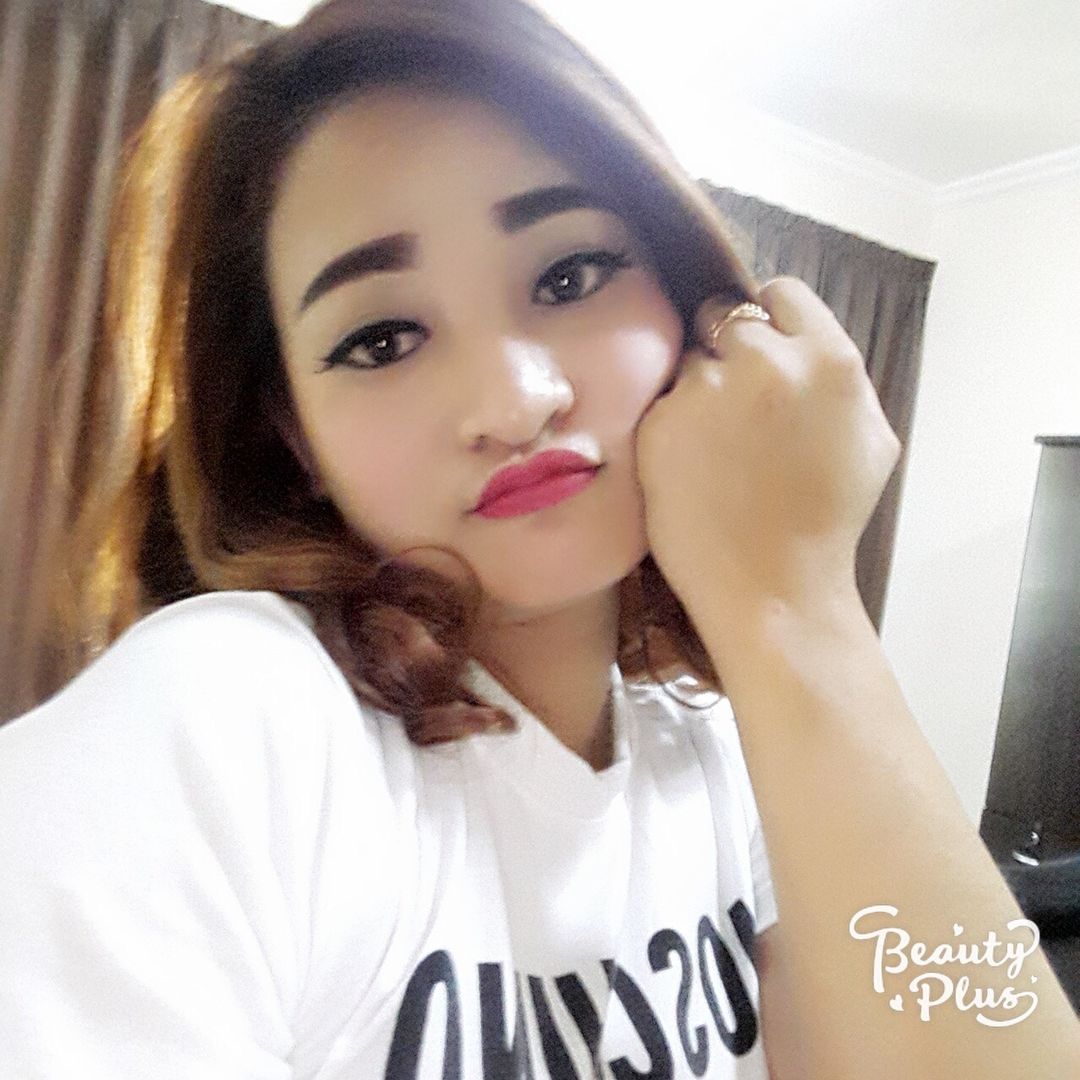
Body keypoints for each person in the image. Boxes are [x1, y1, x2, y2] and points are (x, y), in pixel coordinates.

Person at [1, 0, 1077, 1076]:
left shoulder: (720, 751)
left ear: (696, 314)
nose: (516, 402)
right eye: (383, 339)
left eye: (570, 276)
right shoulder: (223, 724)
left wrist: (797, 603)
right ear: (295, 434)